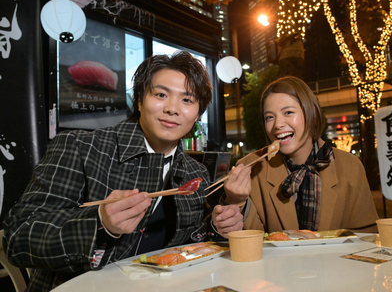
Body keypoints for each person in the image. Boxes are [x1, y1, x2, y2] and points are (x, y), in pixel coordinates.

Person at [2, 51, 244, 292]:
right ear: (139, 100)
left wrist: (216, 227)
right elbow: (18, 239)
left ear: (198, 113)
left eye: (187, 100)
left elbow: (184, 248)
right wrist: (100, 222)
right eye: (161, 94)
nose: (172, 108)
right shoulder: (81, 148)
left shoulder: (194, 172)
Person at [222, 76, 379, 233]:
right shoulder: (251, 168)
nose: (277, 124)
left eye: (288, 112)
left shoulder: (350, 166)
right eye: (269, 117)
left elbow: (365, 236)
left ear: (310, 112)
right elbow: (255, 241)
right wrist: (238, 202)